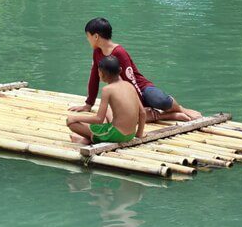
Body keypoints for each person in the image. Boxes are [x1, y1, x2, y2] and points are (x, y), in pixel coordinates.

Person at [68, 17, 201, 122]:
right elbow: (94, 77)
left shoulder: (119, 52)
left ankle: (181, 109)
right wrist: (88, 104)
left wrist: (140, 105)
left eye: (88, 36)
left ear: (96, 36)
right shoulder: (97, 52)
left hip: (142, 89)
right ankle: (168, 116)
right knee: (121, 119)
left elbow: (132, 80)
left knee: (161, 101)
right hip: (123, 93)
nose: (88, 40)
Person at [67, 55, 146, 145]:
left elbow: (99, 119)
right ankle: (93, 136)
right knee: (108, 111)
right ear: (120, 70)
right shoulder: (129, 85)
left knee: (70, 123)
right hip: (130, 134)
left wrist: (74, 118)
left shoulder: (107, 89)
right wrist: (138, 134)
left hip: (116, 135)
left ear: (101, 73)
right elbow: (143, 113)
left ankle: (89, 139)